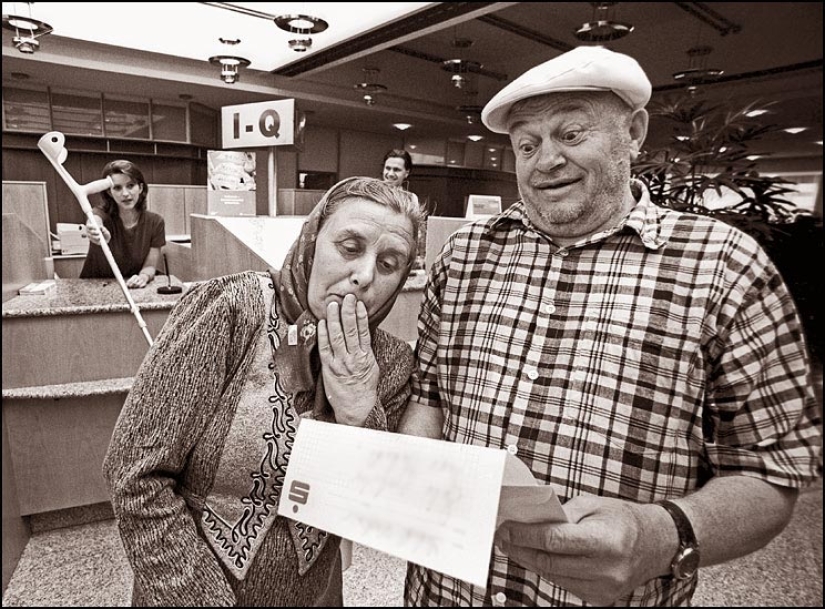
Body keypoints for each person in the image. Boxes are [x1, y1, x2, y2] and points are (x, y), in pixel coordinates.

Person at [400, 45, 822, 606]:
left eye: (571, 134)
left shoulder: (724, 265)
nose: (545, 159)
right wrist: (411, 486)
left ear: (634, 131)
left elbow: (771, 470)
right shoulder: (464, 255)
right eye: (527, 144)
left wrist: (664, 535)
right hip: (442, 592)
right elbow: (429, 399)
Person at [103, 176, 423, 606]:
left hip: (314, 594)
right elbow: (135, 475)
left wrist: (360, 414)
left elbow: (366, 510)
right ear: (311, 239)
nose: (364, 276)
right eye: (350, 248)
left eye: (388, 264)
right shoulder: (231, 309)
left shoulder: (390, 361)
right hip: (186, 591)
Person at [80, 159, 165, 289]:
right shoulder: (101, 213)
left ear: (140, 188)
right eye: (117, 188)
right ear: (109, 192)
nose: (125, 194)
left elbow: (149, 266)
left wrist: (142, 277)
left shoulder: (155, 222)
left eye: (130, 185)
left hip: (131, 288)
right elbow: (94, 220)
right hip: (95, 288)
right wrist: (96, 230)